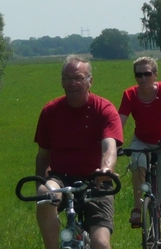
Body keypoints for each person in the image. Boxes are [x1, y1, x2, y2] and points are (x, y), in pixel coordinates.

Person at [34, 55, 123, 249]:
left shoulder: (104, 109)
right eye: (66, 78)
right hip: (61, 179)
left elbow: (109, 146)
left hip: (95, 180)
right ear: (61, 81)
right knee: (45, 194)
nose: (72, 83)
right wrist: (40, 183)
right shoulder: (50, 111)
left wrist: (105, 170)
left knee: (100, 242)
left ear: (90, 81)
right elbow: (42, 155)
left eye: (78, 78)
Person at [118, 57, 161, 249]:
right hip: (142, 141)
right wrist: (114, 144)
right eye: (138, 74)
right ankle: (138, 208)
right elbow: (119, 121)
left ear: (155, 75)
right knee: (137, 163)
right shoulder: (130, 94)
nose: (143, 78)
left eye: (147, 74)